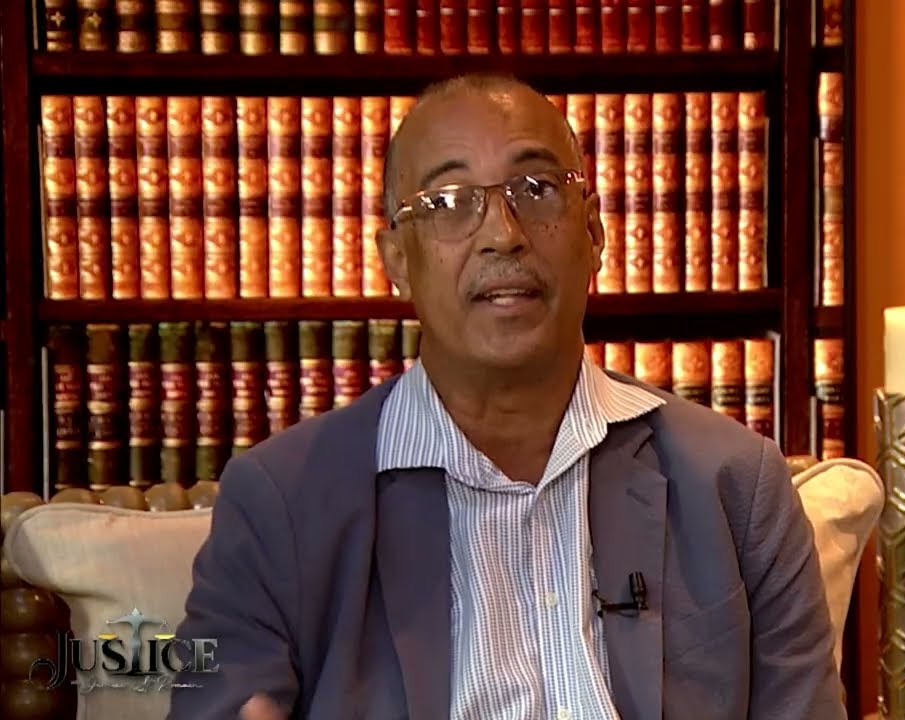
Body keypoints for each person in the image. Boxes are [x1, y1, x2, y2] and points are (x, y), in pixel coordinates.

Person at [168, 73, 843, 720]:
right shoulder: (281, 504)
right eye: (448, 203)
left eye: (537, 189)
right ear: (396, 258)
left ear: (594, 233)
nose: (503, 234)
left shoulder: (735, 486)